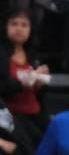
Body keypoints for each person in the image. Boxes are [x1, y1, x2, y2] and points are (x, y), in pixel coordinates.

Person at [0, 8, 49, 143]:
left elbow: (40, 95)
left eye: (24, 25)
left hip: (36, 116)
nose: (19, 29)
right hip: (10, 120)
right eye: (14, 24)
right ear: (6, 27)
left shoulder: (33, 56)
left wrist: (40, 84)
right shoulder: (2, 54)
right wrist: (23, 82)